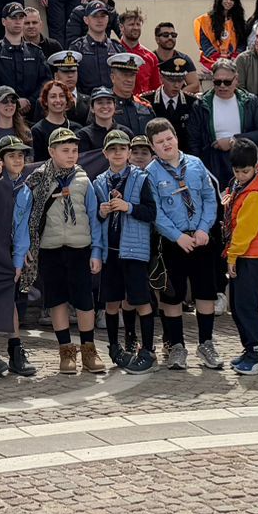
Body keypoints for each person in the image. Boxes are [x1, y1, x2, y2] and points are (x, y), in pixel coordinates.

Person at [146, 115, 224, 371]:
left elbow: (210, 198)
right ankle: (177, 346)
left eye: (169, 138)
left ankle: (206, 343)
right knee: (173, 296)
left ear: (176, 138)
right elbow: (155, 211)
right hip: (173, 242)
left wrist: (203, 229)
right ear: (152, 147)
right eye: (160, 142)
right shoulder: (151, 173)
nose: (166, 144)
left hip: (201, 239)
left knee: (205, 292)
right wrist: (177, 236)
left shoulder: (196, 164)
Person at [28, 125, 105, 373]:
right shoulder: (38, 179)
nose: (71, 155)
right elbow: (28, 214)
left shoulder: (83, 180)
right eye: (65, 150)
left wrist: (96, 251)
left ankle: (89, 349)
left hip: (79, 248)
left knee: (84, 301)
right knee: (57, 300)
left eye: (74, 150)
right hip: (50, 249)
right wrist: (29, 245)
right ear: (51, 151)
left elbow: (94, 217)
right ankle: (66, 351)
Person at [87, 128, 158, 372]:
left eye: (122, 149)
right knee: (111, 301)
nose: (118, 153)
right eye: (113, 149)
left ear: (129, 152)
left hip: (135, 250)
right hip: (110, 251)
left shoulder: (141, 178)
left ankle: (147, 349)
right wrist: (102, 211)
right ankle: (115, 346)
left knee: (140, 300)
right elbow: (94, 219)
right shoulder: (99, 182)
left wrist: (128, 206)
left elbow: (151, 213)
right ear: (105, 153)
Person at [222, 139, 258, 375]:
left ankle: (256, 352)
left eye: (245, 171)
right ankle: (249, 349)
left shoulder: (255, 192)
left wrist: (232, 255)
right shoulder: (240, 185)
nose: (241, 175)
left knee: (246, 306)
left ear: (255, 166)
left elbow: (246, 229)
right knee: (238, 305)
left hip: (249, 255)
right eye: (237, 171)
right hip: (243, 252)